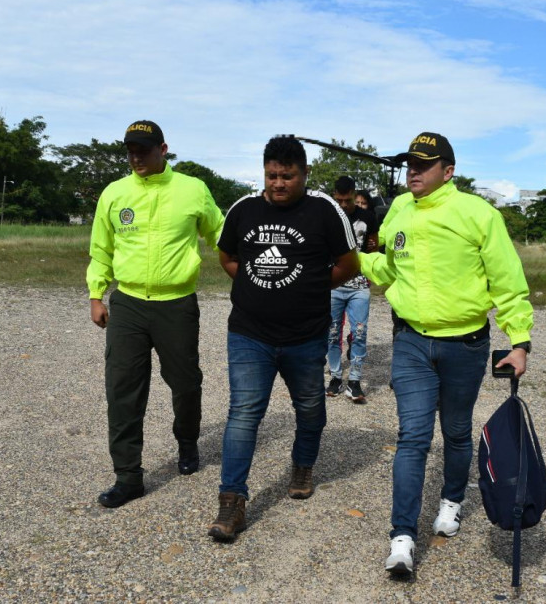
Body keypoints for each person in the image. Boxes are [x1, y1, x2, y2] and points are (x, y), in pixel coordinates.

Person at [359, 132, 534, 575]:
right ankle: (402, 538)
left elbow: (507, 281)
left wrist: (519, 341)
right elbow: (388, 268)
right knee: (413, 437)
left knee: (456, 432)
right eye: (409, 164)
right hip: (412, 341)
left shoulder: (479, 214)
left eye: (423, 164)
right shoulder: (399, 210)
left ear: (448, 171)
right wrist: (352, 260)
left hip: (465, 345)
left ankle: (452, 501)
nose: (413, 171)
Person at [208, 135, 359, 542]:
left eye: (287, 176)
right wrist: (255, 284)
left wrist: (310, 286)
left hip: (305, 335)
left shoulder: (325, 210)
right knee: (244, 413)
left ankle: (303, 466)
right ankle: (232, 501)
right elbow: (226, 256)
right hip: (249, 333)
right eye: (271, 175)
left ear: (305, 174)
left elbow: (349, 263)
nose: (278, 183)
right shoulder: (244, 208)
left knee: (309, 409)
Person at [87, 120, 225, 508]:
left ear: (163, 149)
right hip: (128, 303)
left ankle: (187, 441)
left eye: (143, 150)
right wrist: (97, 294)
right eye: (130, 150)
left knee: (185, 384)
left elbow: (221, 235)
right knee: (123, 391)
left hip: (177, 303)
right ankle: (128, 477)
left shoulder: (193, 190)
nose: (135, 157)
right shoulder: (115, 193)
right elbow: (102, 248)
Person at [325, 176, 379, 404]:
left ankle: (354, 380)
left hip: (359, 286)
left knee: (359, 332)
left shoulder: (367, 215)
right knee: (332, 333)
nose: (344, 205)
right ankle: (336, 376)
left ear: (354, 195)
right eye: (339, 200)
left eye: (347, 200)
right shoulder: (328, 215)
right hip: (334, 286)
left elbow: (374, 243)